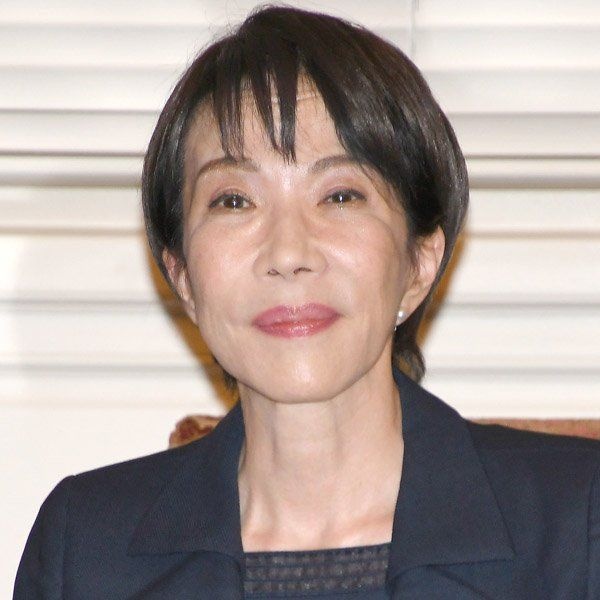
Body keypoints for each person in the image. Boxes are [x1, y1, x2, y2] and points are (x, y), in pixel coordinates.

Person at [13, 6, 600, 599]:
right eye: (234, 200)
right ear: (182, 275)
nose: (289, 253)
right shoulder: (84, 550)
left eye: (340, 195)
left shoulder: (577, 525)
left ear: (419, 262)